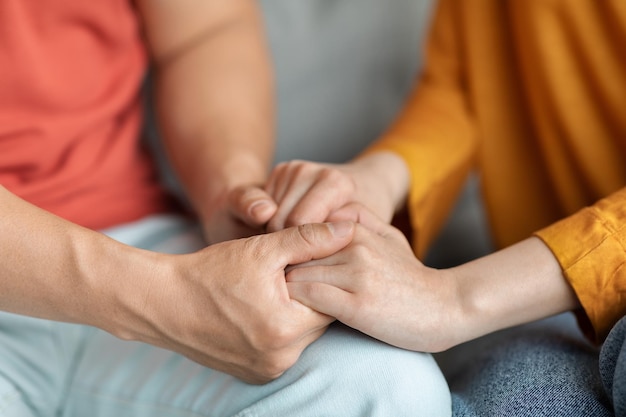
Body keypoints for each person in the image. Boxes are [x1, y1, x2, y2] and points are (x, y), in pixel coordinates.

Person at [0, 0, 452, 415]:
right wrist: (159, 296)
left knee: (386, 388)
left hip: (143, 240)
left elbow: (206, 31)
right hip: (124, 277)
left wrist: (230, 187)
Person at [228, 0, 626, 415]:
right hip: (549, 306)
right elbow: (467, 85)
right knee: (514, 404)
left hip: (526, 292)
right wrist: (377, 179)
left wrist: (457, 297)